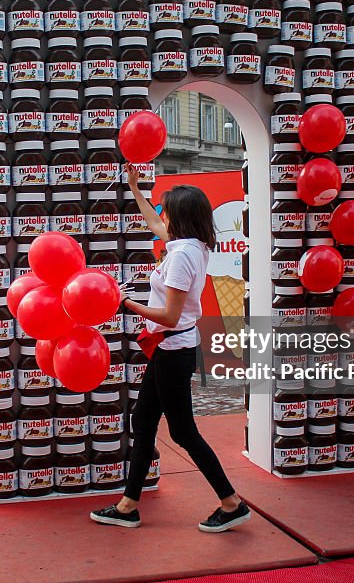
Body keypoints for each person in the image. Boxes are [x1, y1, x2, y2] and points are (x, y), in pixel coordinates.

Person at [90, 166, 251, 533]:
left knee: (183, 432)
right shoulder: (189, 244)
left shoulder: (181, 257)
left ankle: (231, 503)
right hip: (171, 348)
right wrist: (134, 188)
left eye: (167, 210)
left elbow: (169, 314)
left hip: (173, 349)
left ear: (180, 216)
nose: (162, 215)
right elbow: (154, 225)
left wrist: (125, 301)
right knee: (144, 421)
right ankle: (128, 505)